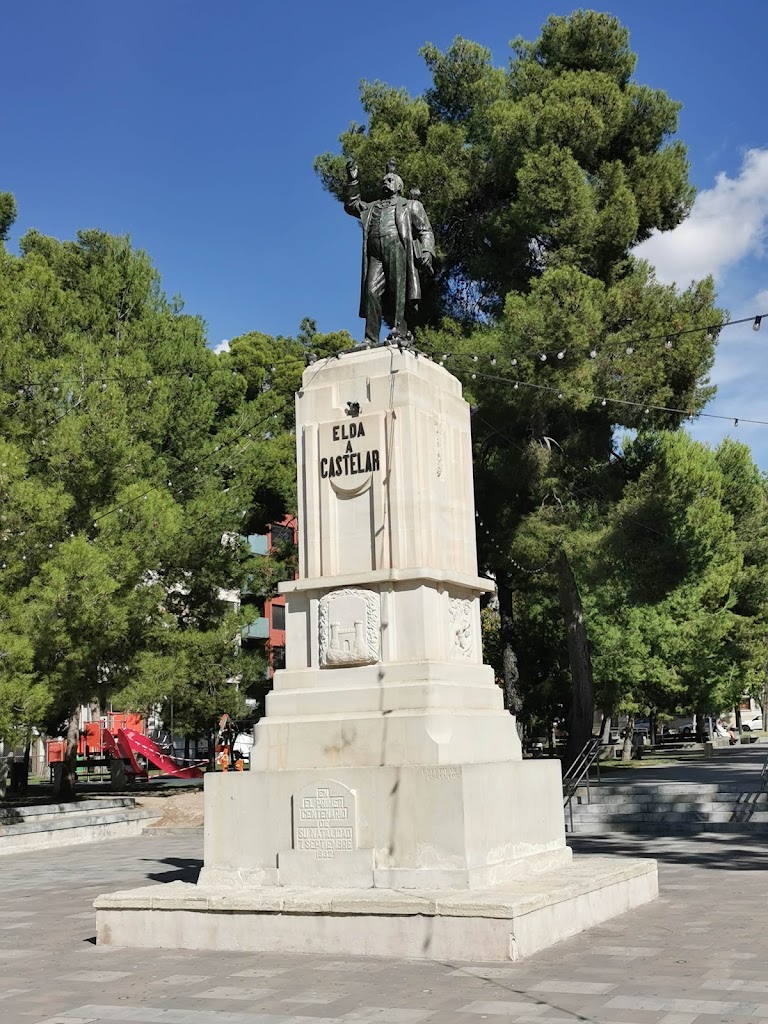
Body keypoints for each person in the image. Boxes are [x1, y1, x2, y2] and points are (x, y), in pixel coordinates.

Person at [343, 158, 435, 346]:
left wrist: (427, 251)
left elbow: (425, 230)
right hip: (374, 253)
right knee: (371, 291)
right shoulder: (371, 207)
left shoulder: (410, 205)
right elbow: (351, 205)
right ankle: (370, 338)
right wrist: (353, 180)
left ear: (399, 186)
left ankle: (399, 332)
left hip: (397, 248)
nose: (385, 182)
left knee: (398, 291)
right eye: (384, 180)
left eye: (390, 180)